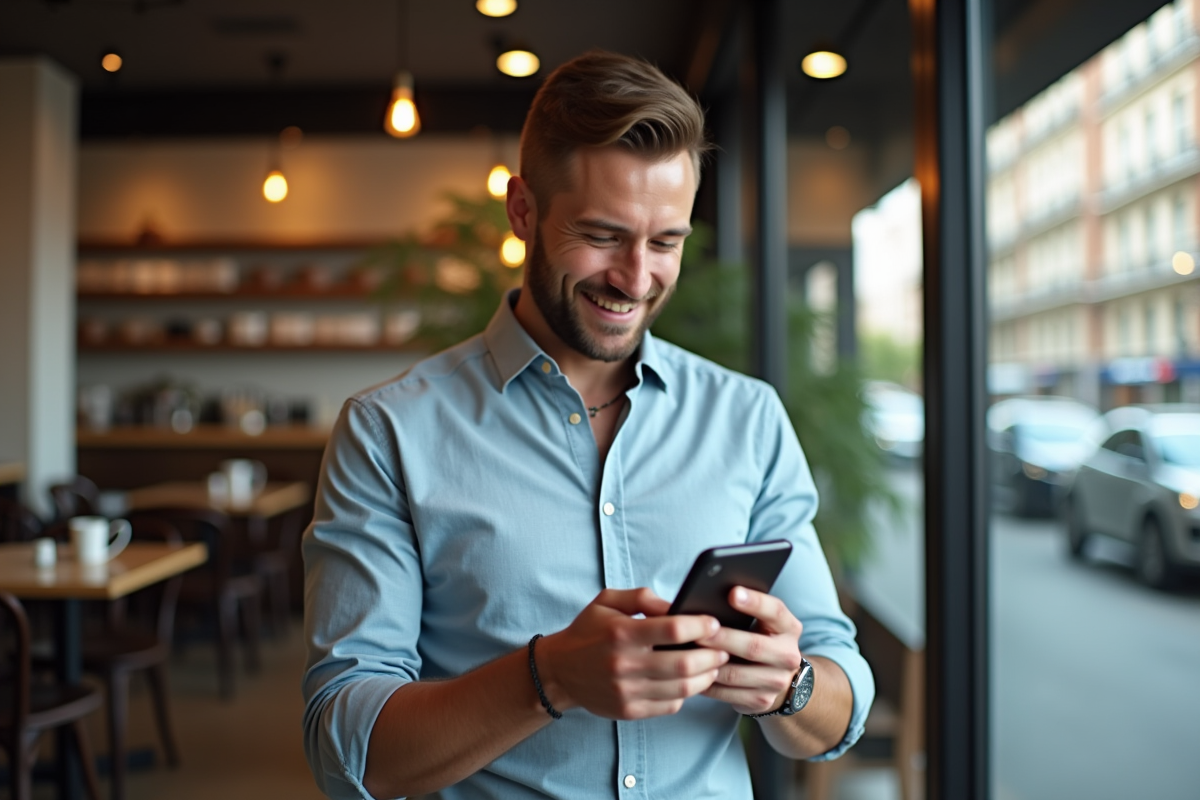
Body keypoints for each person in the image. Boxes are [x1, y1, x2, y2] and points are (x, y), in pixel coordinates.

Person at [302, 50, 874, 800]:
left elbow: (841, 691)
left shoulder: (748, 418)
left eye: (665, 242)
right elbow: (345, 745)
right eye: (602, 235)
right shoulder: (388, 433)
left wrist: (790, 686)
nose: (636, 279)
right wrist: (550, 676)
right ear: (523, 211)